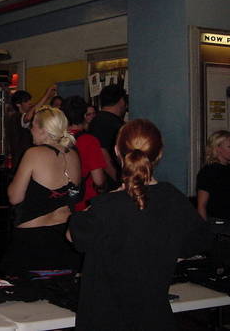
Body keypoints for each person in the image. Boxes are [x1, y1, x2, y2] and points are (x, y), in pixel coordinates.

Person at [68, 119, 211, 331]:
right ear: (159, 153)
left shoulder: (107, 206)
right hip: (153, 317)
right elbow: (200, 239)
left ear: (117, 151)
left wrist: (104, 200)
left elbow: (73, 235)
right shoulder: (173, 199)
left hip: (104, 319)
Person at [0, 106, 81, 275]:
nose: (30, 130)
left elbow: (14, 197)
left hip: (34, 239)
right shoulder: (73, 155)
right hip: (64, 236)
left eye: (33, 126)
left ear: (44, 130)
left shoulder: (34, 154)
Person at [61, 96, 106, 211]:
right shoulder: (89, 141)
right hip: (85, 201)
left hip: (61, 202)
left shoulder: (56, 140)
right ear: (84, 116)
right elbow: (99, 180)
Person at [6, 85, 57, 171]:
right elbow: (28, 116)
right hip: (21, 163)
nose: (29, 103)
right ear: (18, 104)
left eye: (29, 100)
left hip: (27, 161)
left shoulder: (21, 117)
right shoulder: (16, 117)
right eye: (26, 101)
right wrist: (46, 95)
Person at [88, 84, 127, 190]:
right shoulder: (112, 123)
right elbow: (102, 153)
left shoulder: (97, 121)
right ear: (121, 101)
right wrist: (119, 180)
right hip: (113, 183)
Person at [197, 130, 230, 220]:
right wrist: (204, 227)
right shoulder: (208, 172)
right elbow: (201, 205)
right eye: (229, 147)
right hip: (218, 223)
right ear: (217, 148)